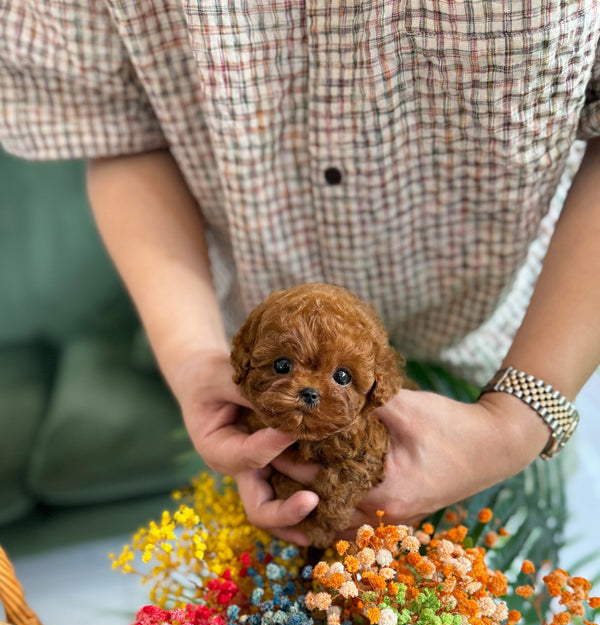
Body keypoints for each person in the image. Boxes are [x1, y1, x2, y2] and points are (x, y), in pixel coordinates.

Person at [2, 0, 599, 545]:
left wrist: (517, 421)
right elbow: (115, 128)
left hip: (510, 351)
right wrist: (191, 359)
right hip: (235, 373)